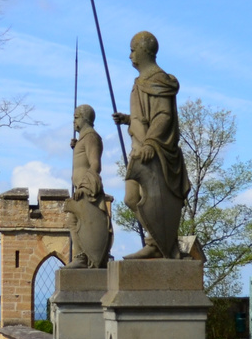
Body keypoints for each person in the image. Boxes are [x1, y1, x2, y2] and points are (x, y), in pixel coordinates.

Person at [111, 30, 189, 259]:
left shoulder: (158, 81)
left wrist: (150, 143)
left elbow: (163, 116)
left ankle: (158, 244)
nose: (130, 56)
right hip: (140, 147)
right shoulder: (140, 82)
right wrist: (128, 119)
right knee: (131, 199)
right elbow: (143, 115)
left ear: (145, 51)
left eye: (133, 50)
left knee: (148, 199)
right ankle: (155, 242)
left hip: (154, 152)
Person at [66, 104, 112, 268]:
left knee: (76, 222)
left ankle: (82, 258)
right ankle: (81, 257)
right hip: (81, 190)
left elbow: (95, 165)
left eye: (76, 117)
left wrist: (84, 187)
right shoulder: (83, 139)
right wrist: (76, 146)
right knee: (74, 222)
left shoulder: (92, 137)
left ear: (84, 118)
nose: (74, 121)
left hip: (87, 190)